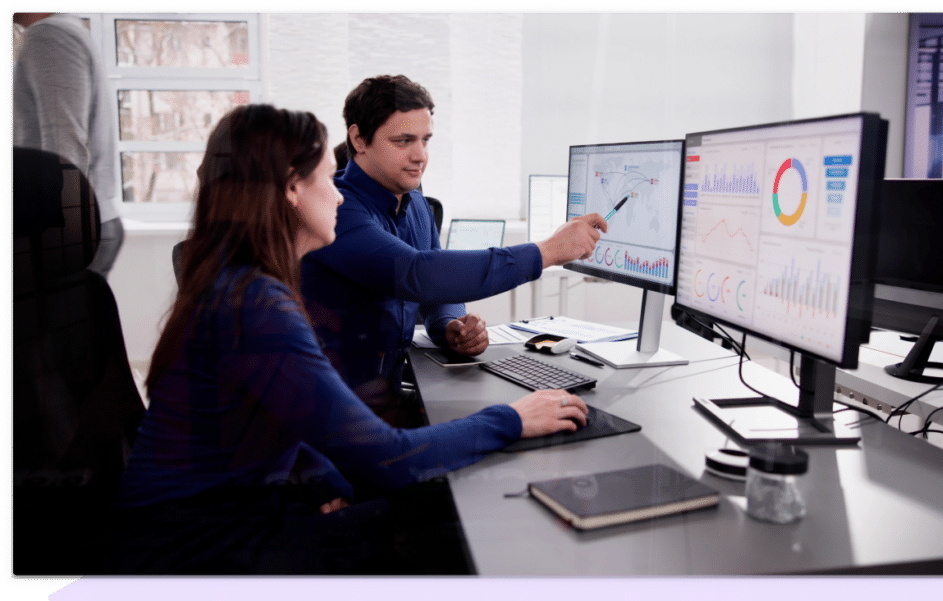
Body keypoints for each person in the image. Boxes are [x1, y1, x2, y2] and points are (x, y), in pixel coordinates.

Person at [107, 104, 589, 574]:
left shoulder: (240, 284)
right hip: (198, 556)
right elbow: (390, 458)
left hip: (216, 525)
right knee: (474, 517)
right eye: (325, 179)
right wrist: (512, 418)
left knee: (450, 500)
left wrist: (321, 479)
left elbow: (280, 412)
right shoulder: (256, 306)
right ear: (292, 189)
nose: (338, 195)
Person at [301, 74, 607, 416]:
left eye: (425, 140)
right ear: (358, 139)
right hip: (332, 412)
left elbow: (436, 294)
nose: (420, 156)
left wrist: (450, 326)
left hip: (381, 401)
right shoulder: (336, 209)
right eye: (403, 141)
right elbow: (418, 275)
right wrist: (548, 251)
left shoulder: (416, 204)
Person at [12, 12, 124, 278]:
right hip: (75, 222)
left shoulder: (50, 35)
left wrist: (62, 238)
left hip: (63, 227)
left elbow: (64, 142)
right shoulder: (63, 31)